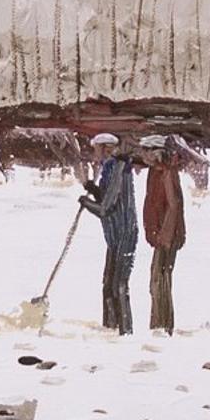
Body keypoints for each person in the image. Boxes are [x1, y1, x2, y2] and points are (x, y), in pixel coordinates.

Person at [80, 133, 137, 335]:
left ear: (105, 148)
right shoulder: (110, 168)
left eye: (96, 148)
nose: (94, 153)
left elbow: (106, 207)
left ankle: (125, 331)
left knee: (119, 285)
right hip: (114, 235)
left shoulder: (117, 168)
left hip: (124, 233)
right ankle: (110, 328)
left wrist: (87, 204)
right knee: (107, 284)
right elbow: (107, 197)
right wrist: (93, 190)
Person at [139, 134, 186, 334]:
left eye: (148, 151)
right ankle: (160, 323)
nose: (144, 155)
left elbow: (174, 205)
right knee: (158, 279)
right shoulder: (155, 172)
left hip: (167, 236)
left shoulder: (167, 173)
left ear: (157, 152)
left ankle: (162, 325)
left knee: (160, 280)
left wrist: (164, 236)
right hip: (160, 235)